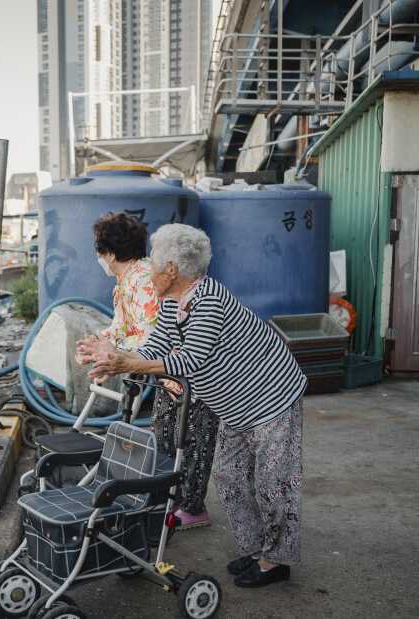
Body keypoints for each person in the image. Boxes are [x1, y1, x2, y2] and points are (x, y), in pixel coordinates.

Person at [86, 223, 306, 588]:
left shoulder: (209, 299)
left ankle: (275, 561)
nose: (148, 268)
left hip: (271, 397)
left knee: (273, 481)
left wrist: (128, 363)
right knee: (229, 476)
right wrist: (117, 357)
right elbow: (156, 346)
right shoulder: (174, 302)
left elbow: (189, 359)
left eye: (153, 262)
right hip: (236, 404)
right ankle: (255, 549)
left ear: (171, 269)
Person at [75, 212, 218, 529]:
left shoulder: (142, 281)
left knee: (192, 436)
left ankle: (192, 508)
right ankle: (168, 501)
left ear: (109, 254)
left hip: (189, 369)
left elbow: (152, 333)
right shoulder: (127, 282)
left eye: (100, 252)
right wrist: (100, 342)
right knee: (166, 432)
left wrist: (115, 354)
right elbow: (124, 328)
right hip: (165, 370)